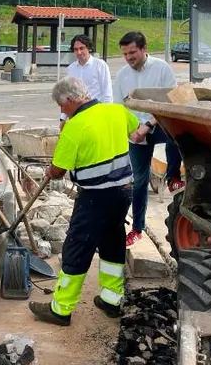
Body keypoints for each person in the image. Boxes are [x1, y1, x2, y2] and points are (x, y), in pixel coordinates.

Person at [29, 77, 138, 325]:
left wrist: (49, 171)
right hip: (123, 193)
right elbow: (134, 132)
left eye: (61, 105)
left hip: (94, 198)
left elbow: (58, 170)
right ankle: (112, 300)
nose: (61, 111)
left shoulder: (74, 127)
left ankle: (61, 309)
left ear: (70, 100)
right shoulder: (116, 111)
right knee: (112, 243)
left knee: (77, 249)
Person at [113, 31, 185, 247]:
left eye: (132, 53)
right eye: (125, 54)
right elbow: (119, 109)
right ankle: (137, 229)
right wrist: (131, 131)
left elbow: (170, 103)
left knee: (178, 133)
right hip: (136, 131)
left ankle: (173, 176)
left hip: (159, 122)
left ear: (144, 49)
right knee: (138, 181)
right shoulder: (122, 76)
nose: (129, 58)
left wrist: (148, 125)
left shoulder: (161, 69)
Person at [60, 34, 113, 127]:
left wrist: (106, 116)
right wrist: (62, 118)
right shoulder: (71, 69)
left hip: (96, 114)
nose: (79, 52)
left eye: (82, 48)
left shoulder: (100, 65)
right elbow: (67, 95)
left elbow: (107, 93)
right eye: (76, 49)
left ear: (88, 48)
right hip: (77, 116)